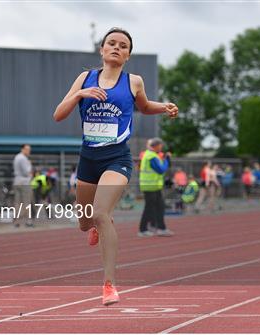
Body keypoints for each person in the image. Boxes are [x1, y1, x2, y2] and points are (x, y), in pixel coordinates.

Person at [53, 27, 178, 306]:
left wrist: (164, 106)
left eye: (123, 46)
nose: (116, 48)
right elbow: (58, 115)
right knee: (85, 223)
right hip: (88, 160)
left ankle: (109, 285)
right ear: (102, 49)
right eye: (111, 43)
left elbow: (143, 107)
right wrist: (79, 95)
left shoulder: (133, 81)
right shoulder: (85, 78)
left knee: (101, 213)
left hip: (116, 159)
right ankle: (96, 225)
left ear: (128, 55)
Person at [139, 138, 174, 237]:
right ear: (157, 146)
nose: (161, 148)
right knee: (149, 208)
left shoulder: (151, 155)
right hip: (150, 186)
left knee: (160, 207)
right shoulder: (151, 156)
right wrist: (167, 159)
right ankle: (143, 229)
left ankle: (161, 228)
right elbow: (161, 170)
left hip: (154, 186)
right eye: (160, 146)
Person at [13, 144, 33, 227]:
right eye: (27, 149)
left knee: (17, 203)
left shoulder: (16, 157)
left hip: (17, 181)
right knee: (27, 202)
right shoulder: (23, 159)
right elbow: (26, 172)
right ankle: (28, 221)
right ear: (23, 149)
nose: (29, 152)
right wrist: (31, 172)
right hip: (24, 182)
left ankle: (16, 221)